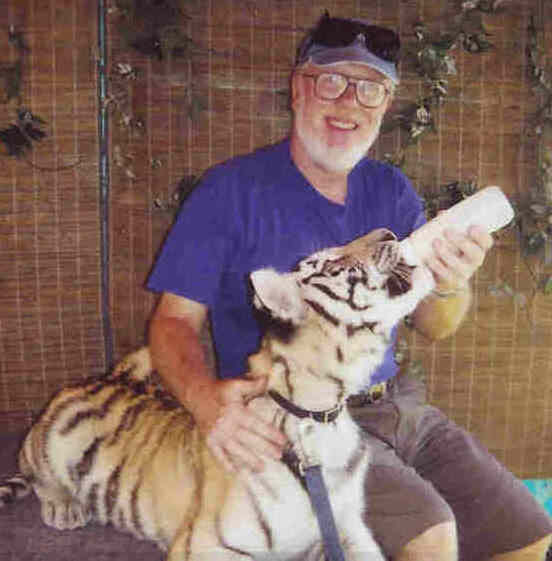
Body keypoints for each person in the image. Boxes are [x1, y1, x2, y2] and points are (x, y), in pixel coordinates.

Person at [146, 12, 552, 561]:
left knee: (528, 534)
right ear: (297, 89)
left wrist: (452, 283)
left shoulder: (391, 190)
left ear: (385, 106)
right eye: (331, 81)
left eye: (370, 90)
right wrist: (203, 402)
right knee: (432, 541)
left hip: (401, 406)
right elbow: (173, 322)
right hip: (304, 418)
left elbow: (435, 326)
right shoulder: (229, 192)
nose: (348, 105)